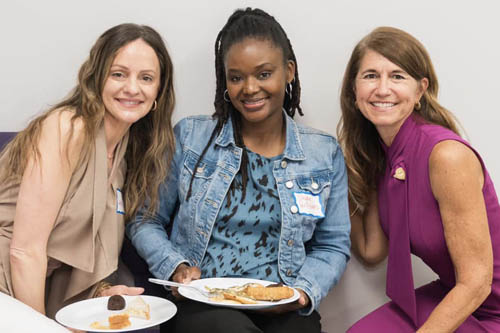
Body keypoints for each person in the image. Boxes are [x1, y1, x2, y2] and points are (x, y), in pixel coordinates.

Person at [127, 7, 351, 333]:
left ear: (288, 72)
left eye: (263, 74)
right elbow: (145, 218)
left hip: (281, 302)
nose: (249, 88)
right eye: (236, 77)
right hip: (204, 303)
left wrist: (302, 293)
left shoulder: (323, 153)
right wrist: (175, 267)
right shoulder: (191, 137)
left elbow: (333, 245)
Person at [0, 23, 175, 319]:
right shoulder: (68, 128)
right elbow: (24, 252)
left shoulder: (126, 154)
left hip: (33, 292)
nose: (132, 88)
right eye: (118, 74)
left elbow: (77, 256)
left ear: (158, 92)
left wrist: (101, 293)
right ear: (96, 79)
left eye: (146, 78)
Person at [338, 26, 500, 332]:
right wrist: (341, 174)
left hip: (487, 305)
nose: (382, 88)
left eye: (397, 76)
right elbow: (372, 250)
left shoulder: (445, 155)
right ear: (353, 89)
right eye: (371, 75)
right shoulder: (383, 156)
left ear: (420, 90)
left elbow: (477, 282)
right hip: (453, 293)